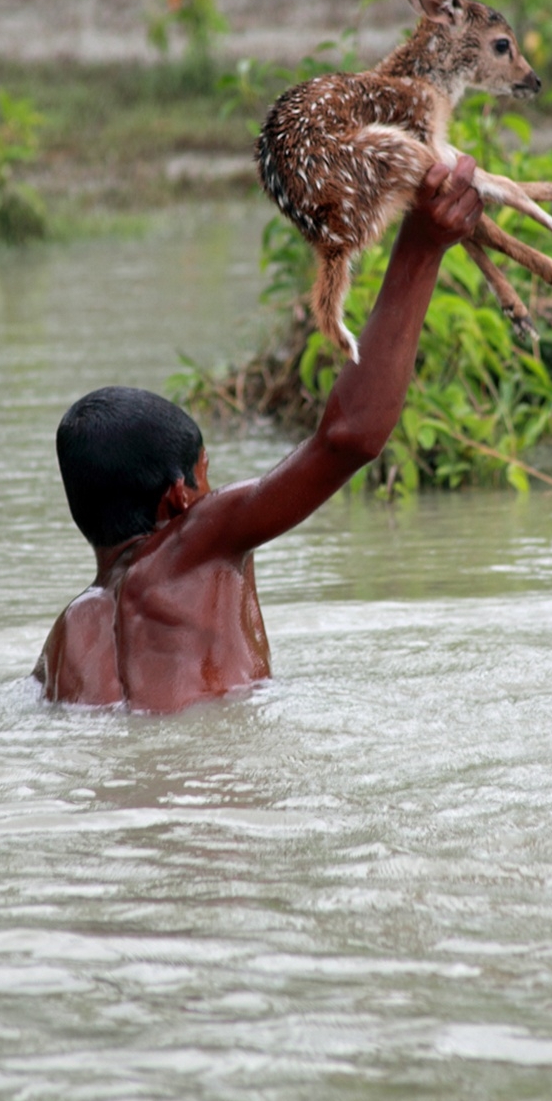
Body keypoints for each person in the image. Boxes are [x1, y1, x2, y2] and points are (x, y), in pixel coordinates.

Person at [34, 155, 482, 713]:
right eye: (205, 478)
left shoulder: (63, 642)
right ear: (178, 499)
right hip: (213, 782)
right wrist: (421, 246)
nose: (211, 494)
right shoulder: (196, 541)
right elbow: (351, 438)